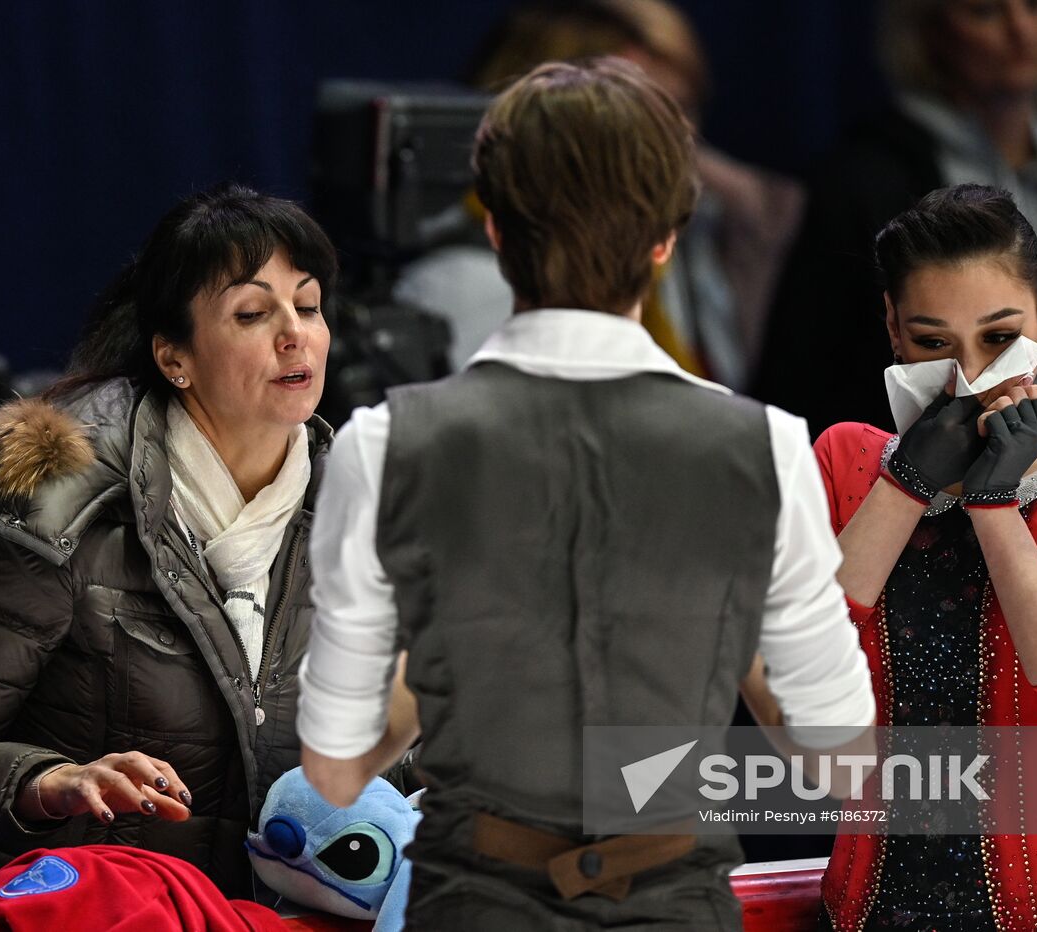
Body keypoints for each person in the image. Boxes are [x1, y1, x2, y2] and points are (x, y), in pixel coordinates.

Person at [298, 58, 876, 931]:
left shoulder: (382, 444)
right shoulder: (767, 448)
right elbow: (839, 759)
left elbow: (339, 768)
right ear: (666, 239)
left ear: (494, 229)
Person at [0, 184, 349, 926]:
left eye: (308, 305)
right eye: (253, 314)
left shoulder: (362, 517)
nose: (295, 336)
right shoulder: (63, 510)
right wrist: (48, 781)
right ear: (175, 357)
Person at [814, 184, 1037, 930]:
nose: (968, 378)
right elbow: (798, 694)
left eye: (998, 337)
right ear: (892, 330)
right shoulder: (845, 461)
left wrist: (994, 509)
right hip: (858, 914)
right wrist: (905, 484)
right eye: (934, 343)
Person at [756, 0, 1037, 463]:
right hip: (932, 483)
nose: (1020, 30)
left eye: (1036, 6)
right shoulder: (869, 182)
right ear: (931, 32)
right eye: (985, 12)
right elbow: (810, 367)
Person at [394, 0, 804, 389]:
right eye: (641, 117)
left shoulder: (668, 257)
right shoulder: (463, 286)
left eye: (683, 111)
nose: (675, 145)